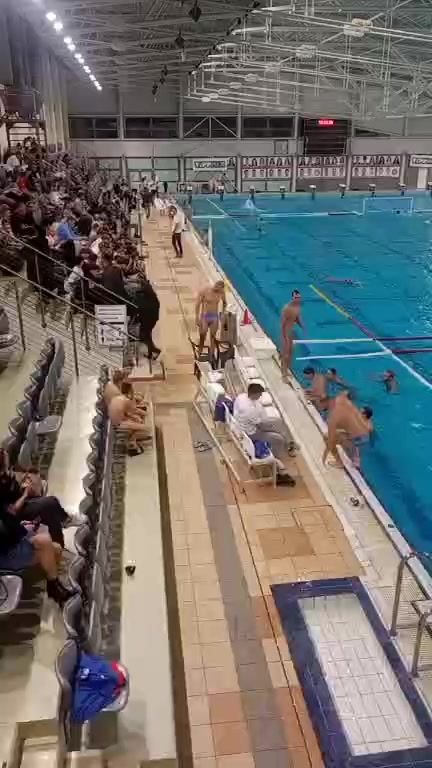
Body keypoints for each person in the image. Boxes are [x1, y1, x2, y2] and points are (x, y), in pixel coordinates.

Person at [0, 503, 75, 605]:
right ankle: (53, 586)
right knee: (44, 542)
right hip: (7, 553)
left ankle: (53, 583)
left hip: (13, 541)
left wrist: (19, 524)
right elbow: (8, 533)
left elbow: (10, 523)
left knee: (56, 548)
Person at [233, 383, 296, 485]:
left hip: (249, 427)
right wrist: (274, 429)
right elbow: (261, 426)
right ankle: (279, 466)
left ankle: (289, 443)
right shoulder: (248, 409)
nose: (261, 396)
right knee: (278, 438)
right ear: (255, 394)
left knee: (279, 422)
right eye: (260, 394)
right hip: (252, 434)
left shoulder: (241, 397)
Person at [323, 392, 373, 469]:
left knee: (328, 438)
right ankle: (356, 459)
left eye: (360, 411)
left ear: (364, 415)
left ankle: (339, 462)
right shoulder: (368, 423)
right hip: (360, 439)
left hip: (355, 439)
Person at [108, 384, 151, 455]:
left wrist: (135, 418)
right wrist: (146, 413)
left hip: (114, 421)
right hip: (119, 424)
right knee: (147, 429)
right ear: (129, 391)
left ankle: (132, 440)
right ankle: (131, 442)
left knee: (137, 421)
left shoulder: (116, 397)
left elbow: (128, 412)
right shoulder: (125, 400)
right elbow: (135, 410)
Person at [195, 280, 226, 356]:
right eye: (216, 287)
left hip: (214, 317)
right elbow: (197, 304)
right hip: (205, 316)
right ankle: (199, 352)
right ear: (215, 285)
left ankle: (211, 355)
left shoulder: (221, 292)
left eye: (219, 289)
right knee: (203, 336)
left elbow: (225, 303)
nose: (217, 290)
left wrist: (223, 313)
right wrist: (197, 318)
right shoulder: (205, 290)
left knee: (213, 337)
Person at [280, 290, 305, 380]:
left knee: (290, 353)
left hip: (291, 332)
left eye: (299, 297)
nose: (298, 299)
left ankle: (287, 370)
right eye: (296, 298)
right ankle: (284, 375)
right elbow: (282, 325)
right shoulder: (287, 308)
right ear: (292, 298)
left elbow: (297, 318)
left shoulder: (298, 306)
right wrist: (284, 337)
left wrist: (302, 326)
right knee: (286, 354)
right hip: (285, 332)